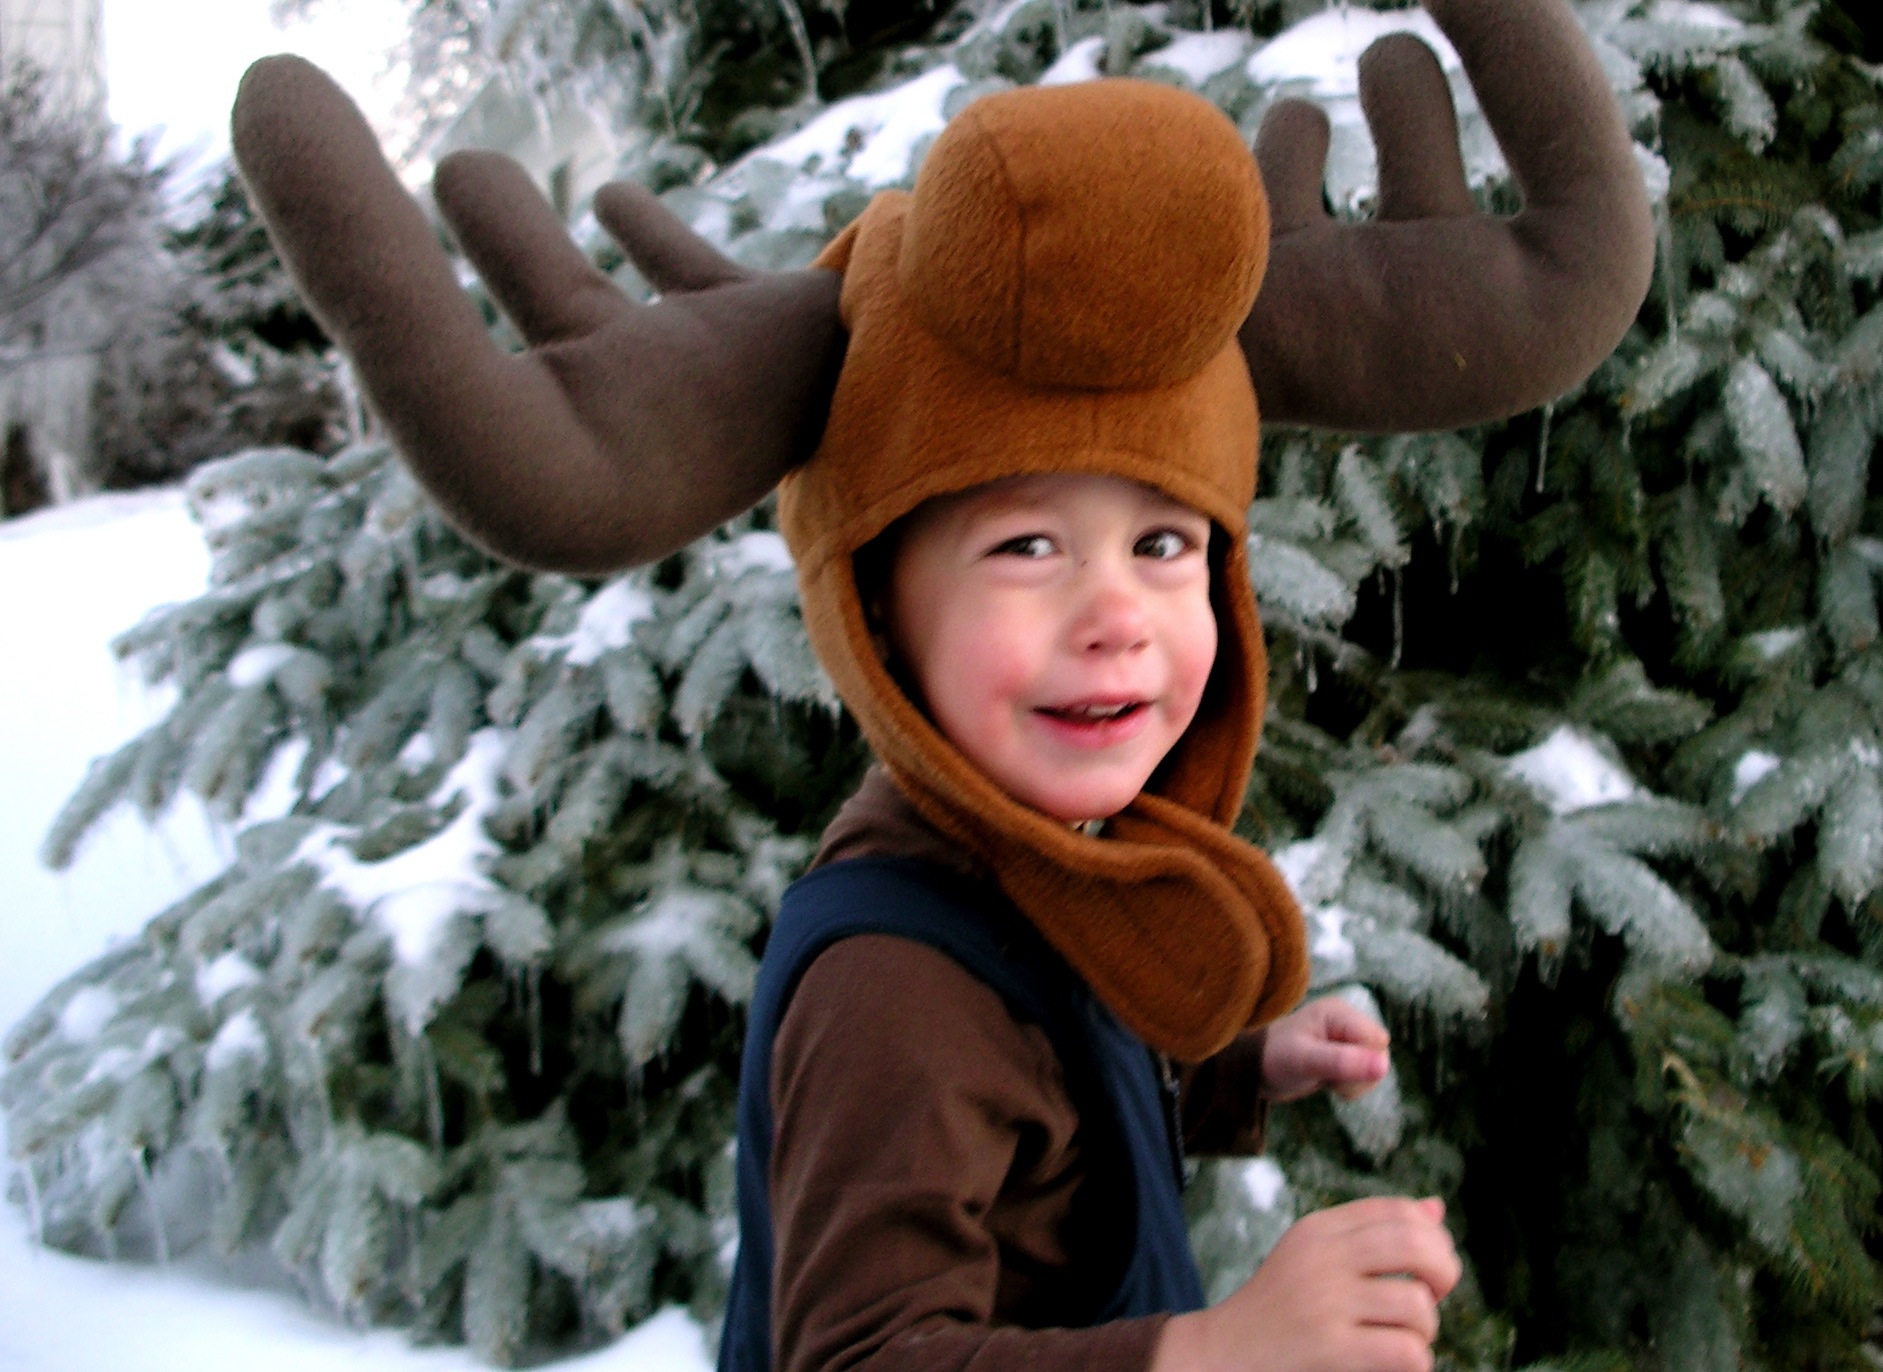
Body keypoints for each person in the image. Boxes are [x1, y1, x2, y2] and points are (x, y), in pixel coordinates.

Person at [225, 0, 1652, 1365]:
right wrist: (1216, 1355)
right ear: (879, 607)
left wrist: (1232, 1064)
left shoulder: (1022, 860)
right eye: (1026, 543)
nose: (1118, 618)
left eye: (1165, 541)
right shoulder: (896, 990)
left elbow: (1037, 1083)